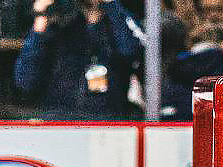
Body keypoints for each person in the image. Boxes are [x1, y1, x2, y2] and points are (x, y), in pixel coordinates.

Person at [13, 0, 144, 120]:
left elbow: (131, 51)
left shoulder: (120, 22)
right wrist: (40, 19)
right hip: (59, 121)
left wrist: (111, 4)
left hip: (106, 122)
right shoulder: (60, 27)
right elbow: (25, 81)